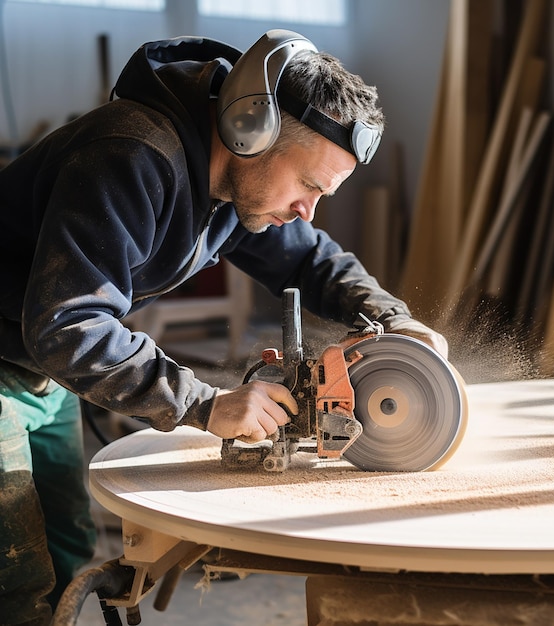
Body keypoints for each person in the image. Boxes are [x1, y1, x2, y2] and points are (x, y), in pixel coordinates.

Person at [0, 29, 448, 624]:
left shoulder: (235, 189)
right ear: (251, 130)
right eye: (310, 186)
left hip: (37, 371)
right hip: (21, 355)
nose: (306, 209)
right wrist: (206, 405)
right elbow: (70, 325)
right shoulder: (130, 155)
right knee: (16, 580)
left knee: (66, 558)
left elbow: (309, 257)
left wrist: (393, 319)